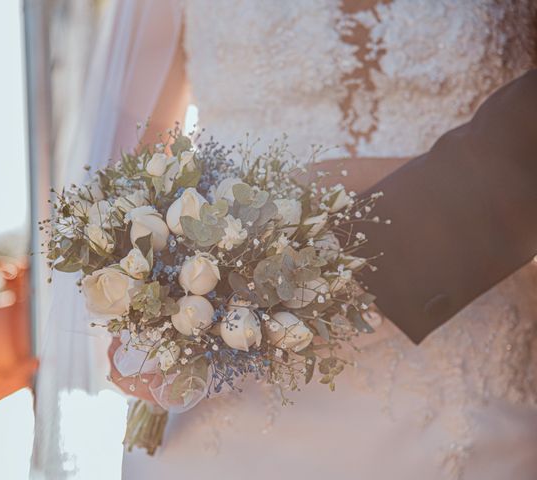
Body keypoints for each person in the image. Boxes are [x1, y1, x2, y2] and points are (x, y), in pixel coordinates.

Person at [106, 1, 537, 479]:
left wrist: (343, 191)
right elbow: (138, 167)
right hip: (229, 368)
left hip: (470, 347)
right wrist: (147, 306)